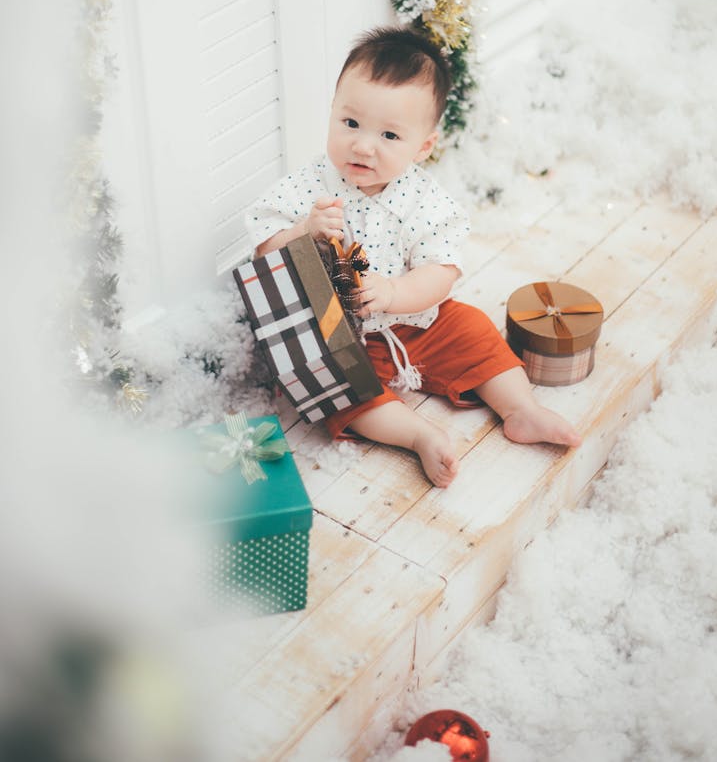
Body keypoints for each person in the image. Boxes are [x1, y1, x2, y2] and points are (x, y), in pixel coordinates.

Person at [246, 27, 581, 487]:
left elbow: (441, 271)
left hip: (419, 321)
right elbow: (263, 246)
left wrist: (394, 292)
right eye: (350, 124)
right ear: (331, 116)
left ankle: (522, 409)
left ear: (423, 146)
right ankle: (417, 435)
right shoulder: (310, 186)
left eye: (388, 134)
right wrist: (303, 230)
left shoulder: (424, 200)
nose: (363, 145)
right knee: (342, 394)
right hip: (339, 335)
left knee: (474, 329)